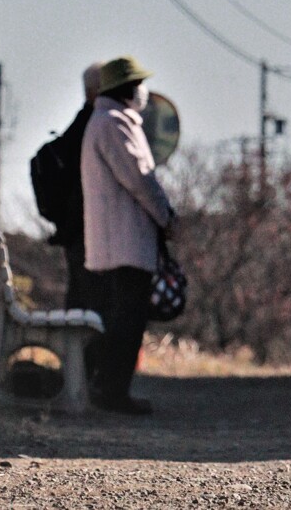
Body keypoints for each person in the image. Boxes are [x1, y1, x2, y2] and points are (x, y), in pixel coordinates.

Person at [81, 55, 175, 415]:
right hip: (125, 243)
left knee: (119, 319)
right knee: (128, 321)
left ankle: (109, 389)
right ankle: (114, 392)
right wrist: (166, 216)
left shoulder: (101, 122)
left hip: (111, 243)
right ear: (129, 89)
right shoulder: (115, 123)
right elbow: (140, 179)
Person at [55, 62, 103, 311]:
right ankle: (80, 349)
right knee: (88, 296)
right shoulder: (95, 126)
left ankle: (74, 348)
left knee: (80, 292)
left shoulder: (79, 126)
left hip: (73, 226)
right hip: (85, 227)